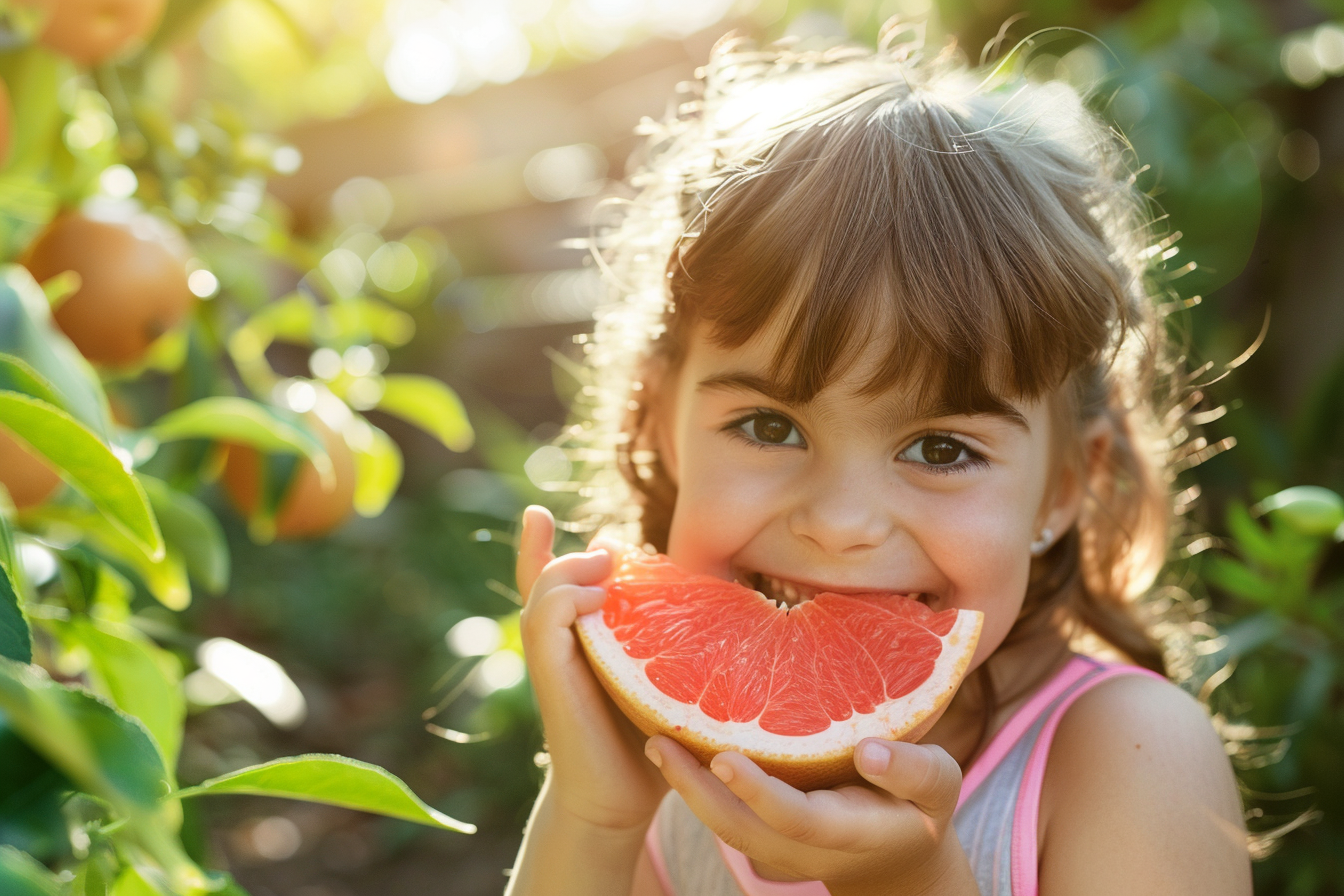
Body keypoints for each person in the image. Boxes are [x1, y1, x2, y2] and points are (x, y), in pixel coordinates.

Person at [504, 25, 1251, 896]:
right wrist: (591, 817)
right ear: (661, 421)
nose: (840, 523)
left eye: (941, 449)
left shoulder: (1131, 751)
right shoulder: (658, 760)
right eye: (768, 427)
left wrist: (914, 881)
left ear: (1064, 486)